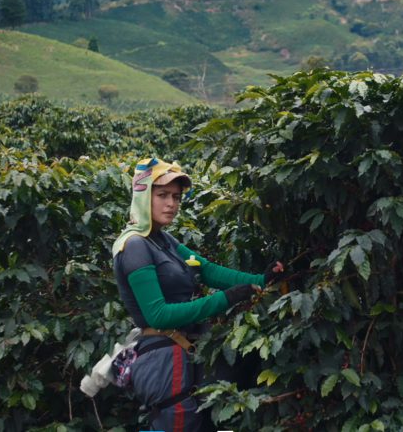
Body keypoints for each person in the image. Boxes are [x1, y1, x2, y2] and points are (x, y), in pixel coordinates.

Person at [111, 158, 284, 432]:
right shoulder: (134, 246)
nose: (172, 204)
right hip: (163, 361)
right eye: (163, 195)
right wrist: (225, 299)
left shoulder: (164, 240)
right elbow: (158, 314)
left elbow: (207, 270)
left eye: (176, 197)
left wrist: (260, 280)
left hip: (186, 353)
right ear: (144, 196)